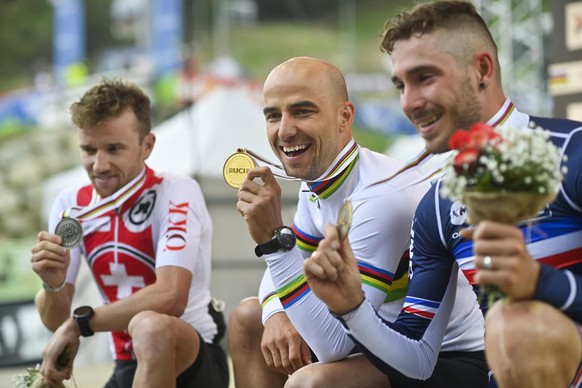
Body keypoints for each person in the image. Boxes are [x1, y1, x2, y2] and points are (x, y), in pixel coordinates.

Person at [304, 1, 582, 387]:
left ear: (481, 70)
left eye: (425, 77)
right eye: (401, 85)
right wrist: (353, 310)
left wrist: (540, 282)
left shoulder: (574, 151)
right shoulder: (437, 205)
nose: (409, 102)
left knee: (517, 328)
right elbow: (417, 360)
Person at [229, 56, 431, 387]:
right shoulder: (320, 182)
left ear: (344, 117)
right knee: (250, 318)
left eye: (302, 111)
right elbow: (278, 277)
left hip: (433, 355)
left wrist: (272, 241)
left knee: (308, 383)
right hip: (378, 343)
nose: (285, 130)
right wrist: (276, 313)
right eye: (273, 115)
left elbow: (335, 345)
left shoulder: (379, 196)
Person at [30, 78, 229, 388]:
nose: (99, 165)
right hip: (126, 363)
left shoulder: (176, 191)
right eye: (88, 149)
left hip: (192, 361)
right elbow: (56, 320)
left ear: (147, 146)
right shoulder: (70, 203)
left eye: (114, 149)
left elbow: (170, 297)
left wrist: (80, 324)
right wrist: (52, 285)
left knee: (149, 327)